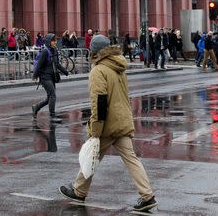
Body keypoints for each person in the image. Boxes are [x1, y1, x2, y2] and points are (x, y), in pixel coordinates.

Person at [59, 35, 157, 213]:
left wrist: (95, 129)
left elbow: (99, 102)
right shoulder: (118, 66)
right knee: (131, 159)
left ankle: (79, 190)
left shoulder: (98, 70)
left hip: (108, 124)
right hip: (122, 120)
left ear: (94, 52)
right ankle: (147, 196)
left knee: (92, 156)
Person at [31, 33, 68, 123]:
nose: (55, 42)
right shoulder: (45, 51)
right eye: (53, 40)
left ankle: (36, 107)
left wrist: (65, 71)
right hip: (44, 77)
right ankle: (52, 115)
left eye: (55, 40)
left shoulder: (54, 50)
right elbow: (39, 65)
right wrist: (35, 75)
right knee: (52, 95)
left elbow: (57, 64)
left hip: (52, 76)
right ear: (48, 41)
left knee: (49, 97)